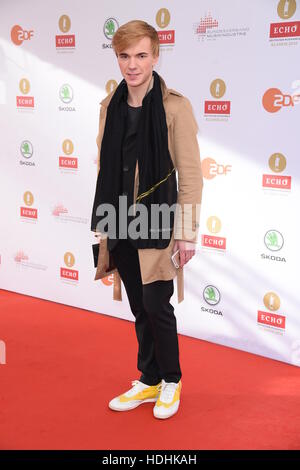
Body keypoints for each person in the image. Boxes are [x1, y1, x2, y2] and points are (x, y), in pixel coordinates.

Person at [90, 20, 203, 419]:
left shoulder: (175, 107)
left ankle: (171, 380)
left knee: (158, 305)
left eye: (140, 55)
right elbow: (107, 165)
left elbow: (190, 176)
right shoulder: (110, 105)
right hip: (119, 218)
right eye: (124, 56)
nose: (132, 65)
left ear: (156, 55)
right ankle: (150, 378)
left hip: (158, 220)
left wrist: (187, 233)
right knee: (139, 305)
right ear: (117, 58)